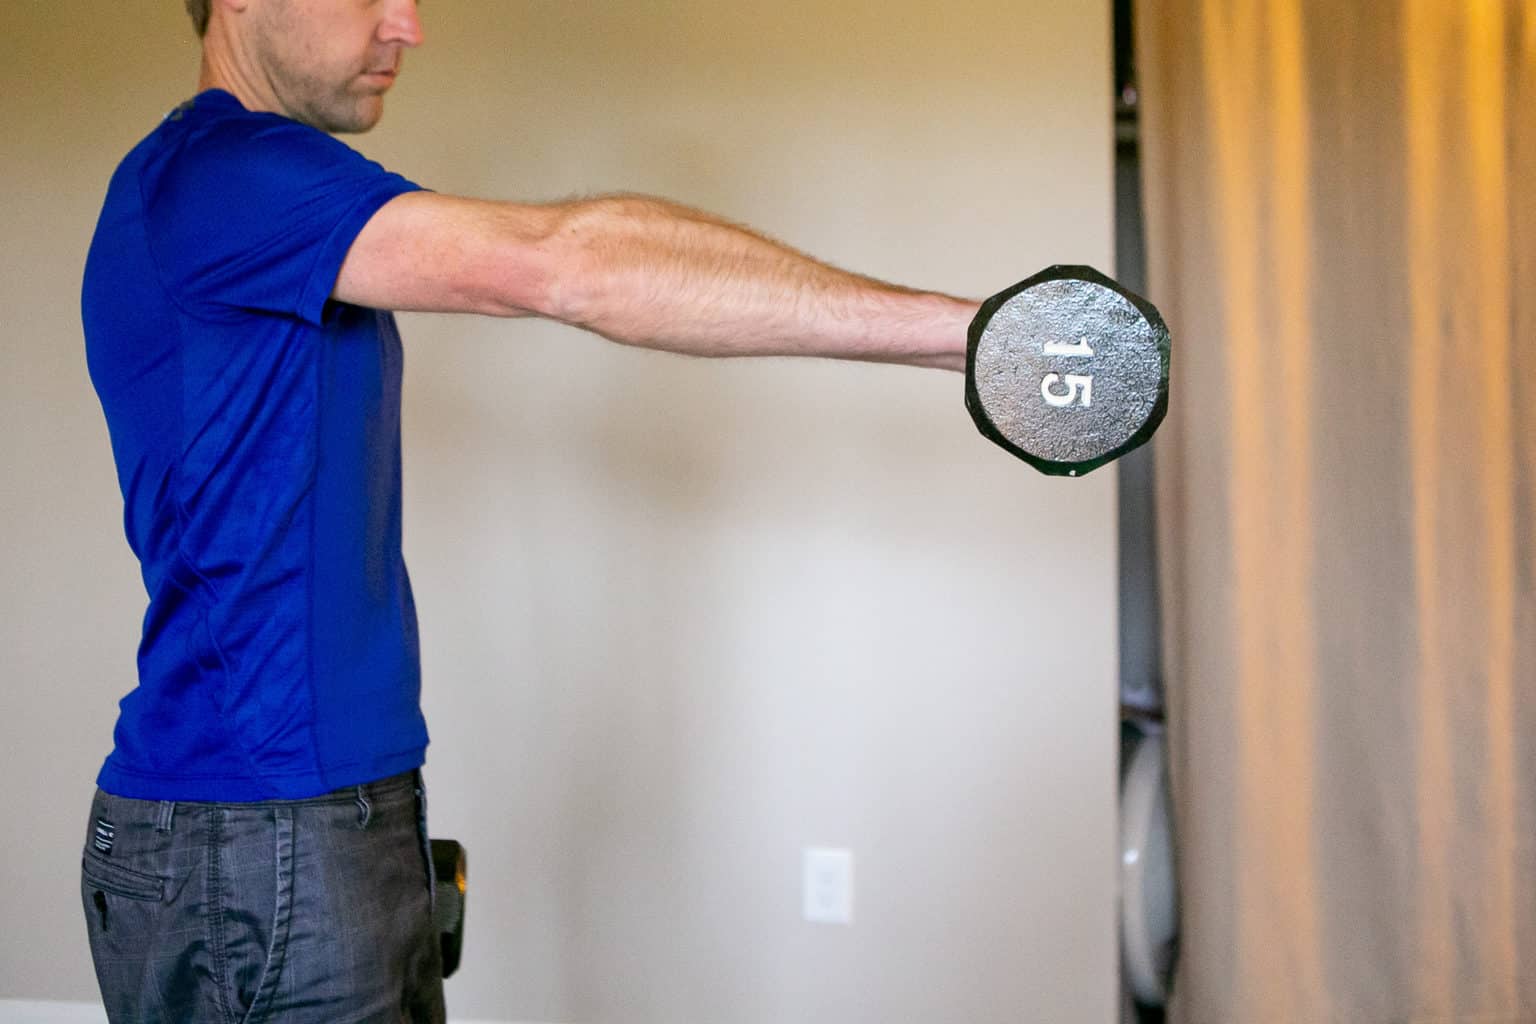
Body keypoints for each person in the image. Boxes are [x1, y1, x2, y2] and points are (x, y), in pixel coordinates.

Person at [79, 1, 977, 1021]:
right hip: (259, 829)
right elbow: (562, 264)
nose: (406, 25)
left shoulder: (210, 184)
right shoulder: (228, 172)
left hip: (290, 813)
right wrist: (979, 336)